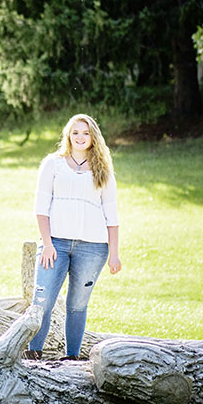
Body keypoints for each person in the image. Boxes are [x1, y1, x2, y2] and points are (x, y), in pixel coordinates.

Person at [24, 113, 121, 360]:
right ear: (68, 135)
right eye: (75, 132)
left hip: (93, 248)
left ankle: (72, 358)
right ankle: (33, 353)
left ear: (93, 137)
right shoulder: (52, 164)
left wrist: (114, 254)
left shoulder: (103, 170)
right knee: (42, 300)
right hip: (54, 244)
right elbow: (41, 207)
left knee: (77, 305)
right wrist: (46, 244)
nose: (80, 137)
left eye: (86, 133)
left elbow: (112, 214)